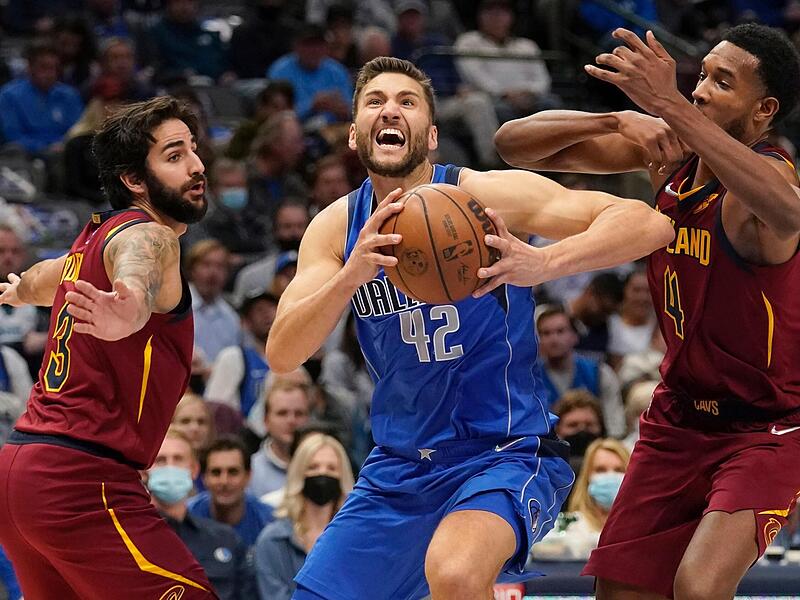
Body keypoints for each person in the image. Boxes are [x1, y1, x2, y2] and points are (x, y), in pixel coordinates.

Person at [265, 56, 673, 600]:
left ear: (431, 136)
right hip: (399, 467)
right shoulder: (337, 229)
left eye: (407, 102)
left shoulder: (481, 196)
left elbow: (650, 222)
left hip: (502, 452)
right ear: (354, 133)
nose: (390, 110)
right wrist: (351, 274)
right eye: (375, 101)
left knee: (455, 573)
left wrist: (544, 264)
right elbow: (282, 354)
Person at [494, 23, 800, 600]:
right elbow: (512, 144)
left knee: (699, 588)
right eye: (702, 75)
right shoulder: (671, 153)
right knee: (618, 591)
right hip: (679, 416)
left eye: (722, 83)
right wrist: (612, 120)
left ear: (763, 109)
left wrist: (664, 103)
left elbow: (787, 211)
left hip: (766, 426)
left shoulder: (768, 179)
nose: (701, 90)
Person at [0, 95, 216, 598]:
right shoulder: (151, 235)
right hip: (79, 480)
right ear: (134, 181)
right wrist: (132, 307)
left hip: (21, 472)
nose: (197, 164)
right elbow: (139, 263)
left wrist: (17, 290)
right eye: (174, 154)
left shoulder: (85, 247)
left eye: (193, 148)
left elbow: (38, 279)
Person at [149, 428, 255, 600]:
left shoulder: (225, 538)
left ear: (194, 469)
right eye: (161, 460)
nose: (170, 467)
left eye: (178, 459)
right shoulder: (131, 537)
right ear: (146, 469)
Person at [254, 432, 354, 600]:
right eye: (313, 467)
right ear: (299, 474)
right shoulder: (273, 540)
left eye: (331, 468)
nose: (323, 474)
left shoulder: (353, 540)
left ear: (342, 476)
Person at [533, 438, 631, 561]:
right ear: (587, 478)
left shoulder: (644, 529)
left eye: (619, 470)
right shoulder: (568, 527)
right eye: (600, 470)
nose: (610, 476)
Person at [188, 436, 274, 549]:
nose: (224, 481)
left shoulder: (269, 521)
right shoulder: (187, 518)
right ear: (204, 478)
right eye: (216, 472)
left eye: (233, 472)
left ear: (248, 476)